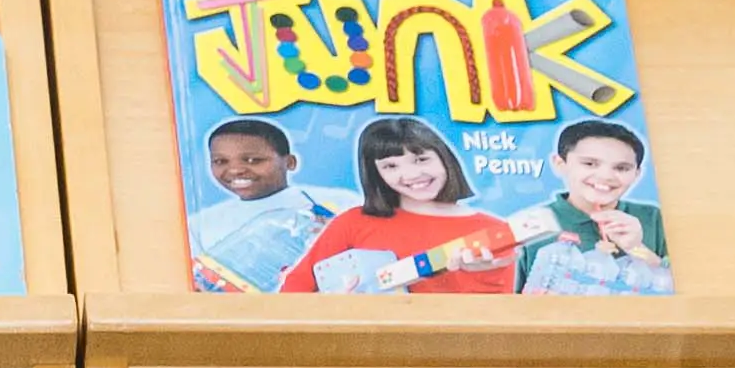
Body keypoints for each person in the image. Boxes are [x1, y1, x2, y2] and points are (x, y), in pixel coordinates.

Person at [283, 114, 517, 294]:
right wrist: (338, 307)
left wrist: (485, 273)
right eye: (391, 166)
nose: (412, 174)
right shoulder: (353, 222)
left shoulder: (493, 230)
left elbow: (497, 318)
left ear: (444, 159)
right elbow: (293, 292)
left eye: (421, 159)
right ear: (376, 173)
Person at [511, 118, 676, 296]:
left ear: (637, 174)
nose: (606, 176)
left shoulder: (653, 217)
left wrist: (637, 248)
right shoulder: (530, 225)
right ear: (560, 164)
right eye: (589, 164)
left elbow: (681, 288)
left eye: (622, 168)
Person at [185, 115, 340, 294]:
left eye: (253, 160)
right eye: (221, 161)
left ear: (290, 162)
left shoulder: (336, 204)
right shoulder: (200, 224)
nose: (235, 169)